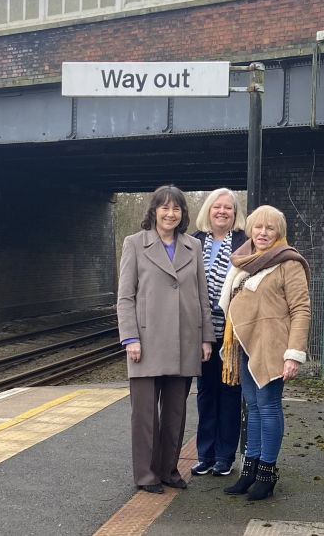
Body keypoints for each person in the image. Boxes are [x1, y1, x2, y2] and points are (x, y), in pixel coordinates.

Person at [117, 185, 215, 495]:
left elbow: (201, 296)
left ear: (183, 214)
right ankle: (146, 474)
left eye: (177, 209)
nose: (171, 214)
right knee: (145, 414)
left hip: (185, 341)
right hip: (145, 342)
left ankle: (169, 470)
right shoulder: (134, 244)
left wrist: (206, 338)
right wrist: (130, 337)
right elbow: (125, 297)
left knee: (175, 411)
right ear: (154, 211)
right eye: (165, 208)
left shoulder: (192, 247)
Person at [217, 205, 311, 501]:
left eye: (270, 228)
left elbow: (301, 309)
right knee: (253, 407)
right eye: (258, 227)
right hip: (246, 344)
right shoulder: (245, 261)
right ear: (250, 229)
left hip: (273, 346)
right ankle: (250, 470)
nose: (263, 232)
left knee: (268, 406)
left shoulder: (288, 262)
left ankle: (267, 474)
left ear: (279, 232)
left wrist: (293, 354)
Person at [189, 189, 248, 477]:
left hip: (232, 333)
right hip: (200, 330)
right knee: (205, 392)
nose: (222, 211)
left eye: (228, 207)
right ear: (208, 211)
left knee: (230, 391)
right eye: (217, 206)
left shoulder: (245, 243)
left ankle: (225, 456)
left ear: (235, 214)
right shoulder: (192, 242)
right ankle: (205, 454)